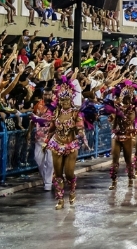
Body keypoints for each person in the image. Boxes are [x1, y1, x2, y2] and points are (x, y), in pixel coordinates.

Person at [46, 77, 88, 209]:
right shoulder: (56, 112)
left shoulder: (76, 113)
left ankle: (72, 190)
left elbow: (80, 126)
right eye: (62, 100)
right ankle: (60, 200)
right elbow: (52, 128)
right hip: (57, 144)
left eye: (66, 100)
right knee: (58, 174)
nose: (64, 102)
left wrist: (80, 133)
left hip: (71, 145)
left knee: (69, 173)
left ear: (71, 100)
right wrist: (46, 141)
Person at [28, 87, 54, 192]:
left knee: (50, 161)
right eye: (45, 94)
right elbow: (32, 120)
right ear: (43, 94)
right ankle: (46, 179)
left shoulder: (55, 106)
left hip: (52, 137)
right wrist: (29, 132)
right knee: (38, 160)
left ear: (52, 95)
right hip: (39, 137)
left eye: (49, 94)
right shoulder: (38, 105)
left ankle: (48, 183)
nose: (47, 96)